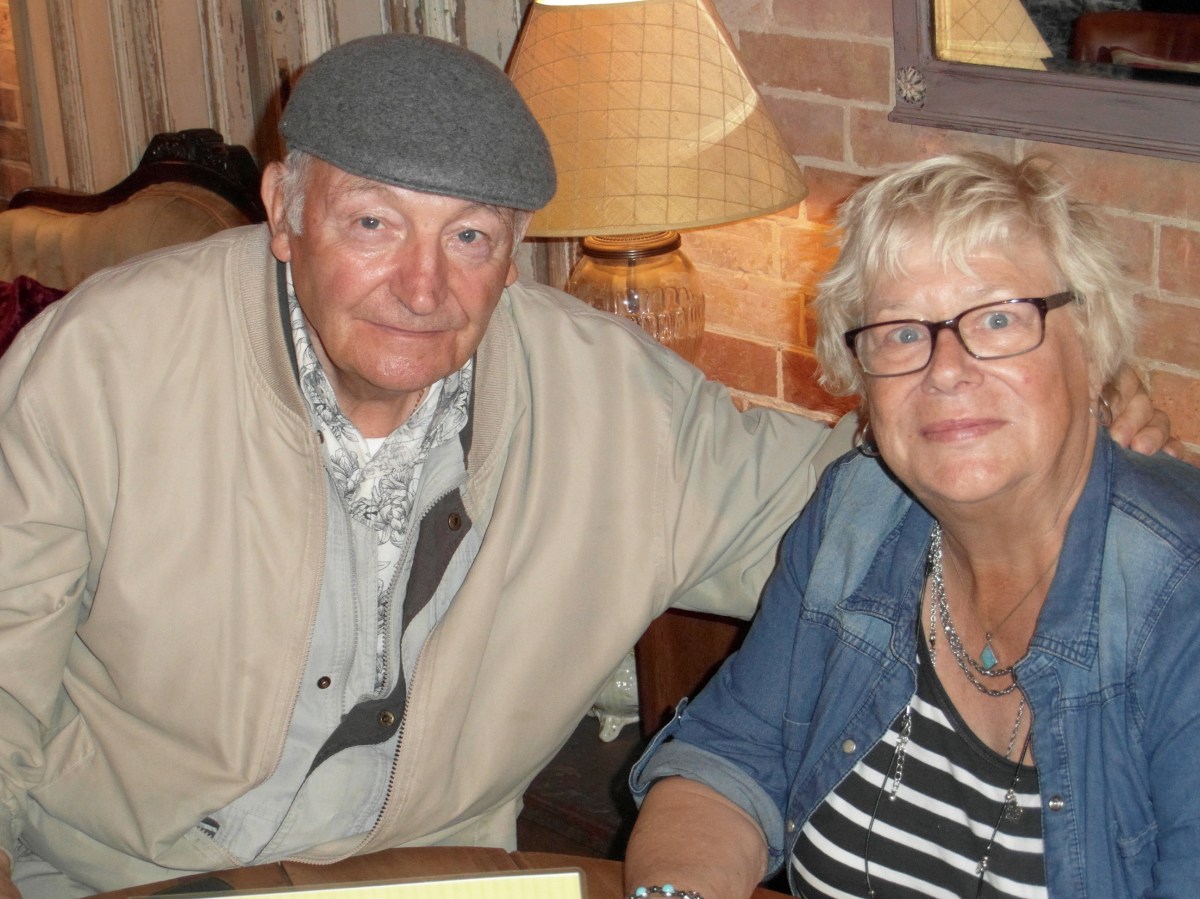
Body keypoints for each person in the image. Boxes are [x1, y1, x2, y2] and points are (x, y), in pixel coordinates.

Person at [0, 33, 1173, 899]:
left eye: (469, 236)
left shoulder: (614, 404)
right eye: (373, 223)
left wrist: (1061, 435)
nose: (423, 285)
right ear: (283, 209)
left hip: (432, 877)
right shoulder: (103, 366)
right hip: (120, 875)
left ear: (515, 253)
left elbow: (854, 500)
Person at [623, 153, 1200, 899]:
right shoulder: (860, 512)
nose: (945, 369)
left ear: (1095, 351)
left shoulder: (1178, 596)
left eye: (998, 319)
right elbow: (730, 759)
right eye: (900, 333)